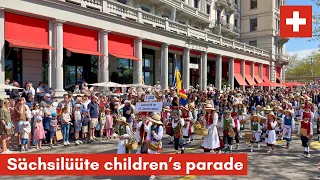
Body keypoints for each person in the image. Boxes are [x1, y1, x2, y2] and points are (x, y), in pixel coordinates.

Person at [146, 114, 163, 180]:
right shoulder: (151, 126)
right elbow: (148, 135)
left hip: (157, 143)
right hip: (152, 143)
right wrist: (148, 140)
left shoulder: (160, 127)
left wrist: (154, 134)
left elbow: (159, 137)